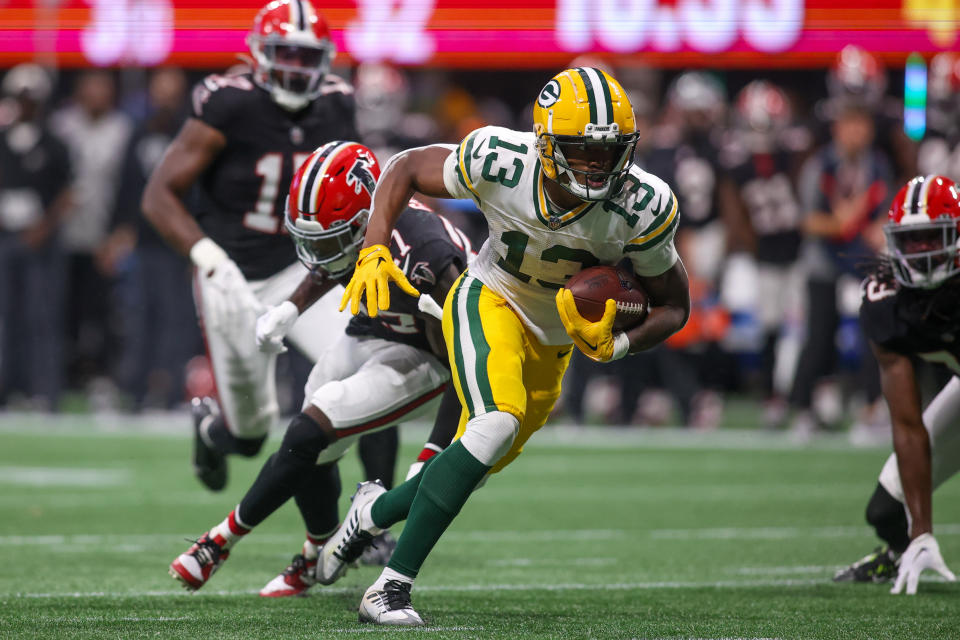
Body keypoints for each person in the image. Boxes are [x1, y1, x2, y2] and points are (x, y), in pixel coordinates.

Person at [327, 67, 690, 625]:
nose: (596, 165)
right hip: (490, 295)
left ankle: (372, 511)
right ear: (545, 144)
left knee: (475, 457)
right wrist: (375, 248)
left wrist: (618, 346)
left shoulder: (643, 204)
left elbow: (674, 306)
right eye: (580, 150)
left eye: (608, 151)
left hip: (557, 337)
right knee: (492, 424)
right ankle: (388, 590)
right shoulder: (500, 158)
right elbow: (402, 168)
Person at [168, 141, 471, 596]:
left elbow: (463, 356)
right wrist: (291, 308)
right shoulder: (361, 229)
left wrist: (432, 452)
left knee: (315, 425)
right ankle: (317, 553)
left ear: (369, 218)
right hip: (373, 327)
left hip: (428, 355)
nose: (317, 252)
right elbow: (338, 258)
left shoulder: (426, 253)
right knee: (310, 444)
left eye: (328, 238)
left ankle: (219, 541)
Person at [142, 0, 379, 492]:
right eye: (284, 54)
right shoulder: (229, 103)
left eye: (305, 56)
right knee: (250, 434)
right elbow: (158, 195)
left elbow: (360, 185)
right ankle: (213, 431)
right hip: (233, 274)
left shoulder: (336, 102)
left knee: (370, 373)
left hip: (306, 271)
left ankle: (371, 514)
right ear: (259, 53)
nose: (295, 67)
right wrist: (206, 256)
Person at [833, 175, 959, 594]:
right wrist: (921, 531)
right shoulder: (886, 300)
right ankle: (902, 554)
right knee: (886, 512)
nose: (923, 252)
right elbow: (907, 424)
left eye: (932, 238)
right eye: (913, 240)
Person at [0, 64, 73, 410]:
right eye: (21, 98)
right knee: (6, 317)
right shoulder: (3, 139)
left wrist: (45, 225)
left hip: (42, 241)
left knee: (42, 316)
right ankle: (7, 388)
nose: (26, 105)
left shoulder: (55, 143)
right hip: (5, 239)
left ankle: (45, 390)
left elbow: (70, 191)